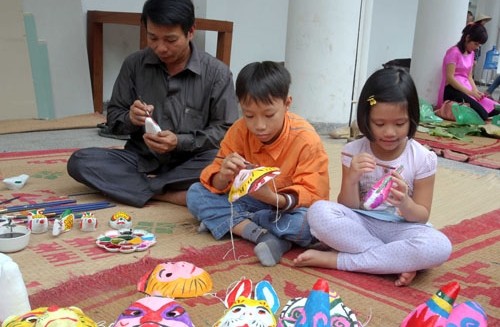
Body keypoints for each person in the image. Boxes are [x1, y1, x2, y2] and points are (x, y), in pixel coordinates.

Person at [67, 0, 239, 208]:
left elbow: (225, 131)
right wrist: (130, 118)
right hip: (141, 160)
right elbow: (113, 119)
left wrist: (180, 141)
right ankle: (170, 193)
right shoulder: (134, 65)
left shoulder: (217, 74)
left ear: (191, 31)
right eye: (153, 38)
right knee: (80, 161)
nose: (160, 47)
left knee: (225, 163)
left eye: (170, 39)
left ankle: (146, 189)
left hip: (191, 161)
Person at [294, 67, 452, 287]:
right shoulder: (353, 150)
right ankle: (394, 261)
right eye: (380, 124)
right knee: (318, 211)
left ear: (412, 119)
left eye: (399, 124)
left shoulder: (423, 158)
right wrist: (351, 179)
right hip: (362, 225)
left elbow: (422, 216)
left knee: (440, 246)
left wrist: (405, 202)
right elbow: (348, 206)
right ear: (366, 119)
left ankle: (341, 260)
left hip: (402, 229)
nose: (389, 132)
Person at [186, 61, 330, 267]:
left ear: (287, 104)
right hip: (251, 202)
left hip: (288, 209)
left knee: (313, 224)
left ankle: (235, 223)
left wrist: (272, 198)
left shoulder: (306, 139)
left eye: (269, 115)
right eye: (249, 115)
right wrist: (223, 175)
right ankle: (264, 235)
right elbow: (216, 182)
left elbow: (314, 195)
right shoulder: (239, 129)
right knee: (196, 194)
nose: (259, 126)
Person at [437, 23, 499, 120]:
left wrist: (476, 91)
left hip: (467, 88)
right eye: (476, 44)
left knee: (496, 109)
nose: (477, 47)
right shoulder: (454, 52)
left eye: (479, 45)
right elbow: (450, 78)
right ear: (467, 38)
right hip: (452, 89)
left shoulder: (471, 54)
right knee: (483, 114)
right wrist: (470, 93)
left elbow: (469, 76)